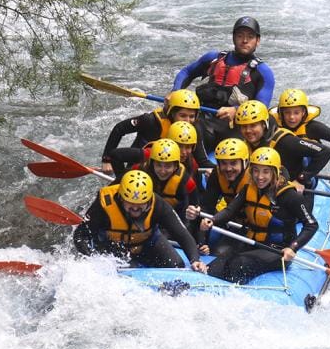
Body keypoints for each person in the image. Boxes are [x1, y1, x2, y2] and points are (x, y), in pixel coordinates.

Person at [203, 147, 317, 284]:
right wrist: (213, 220)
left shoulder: (290, 196)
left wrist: (293, 247)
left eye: (265, 171)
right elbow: (230, 211)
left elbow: (311, 224)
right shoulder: (248, 189)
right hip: (251, 243)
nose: (259, 176)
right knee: (214, 267)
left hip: (277, 251)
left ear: (275, 172)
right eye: (256, 170)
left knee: (238, 264)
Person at [171, 16, 275, 153]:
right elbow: (186, 72)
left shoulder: (263, 72)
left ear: (258, 41)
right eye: (240, 36)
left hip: (235, 128)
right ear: (233, 38)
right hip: (204, 120)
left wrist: (237, 110)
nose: (245, 41)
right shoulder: (214, 58)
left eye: (250, 37)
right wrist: (175, 93)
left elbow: (262, 108)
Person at [73, 170, 206, 271]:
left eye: (141, 204)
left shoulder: (158, 205)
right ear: (121, 198)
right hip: (114, 248)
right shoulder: (104, 205)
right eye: (130, 203)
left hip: (148, 243)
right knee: (127, 269)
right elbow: (81, 234)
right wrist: (93, 257)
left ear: (149, 200)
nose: (135, 208)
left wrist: (195, 260)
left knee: (177, 265)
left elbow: (182, 234)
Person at [232, 99, 330, 188]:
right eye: (244, 127)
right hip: (264, 186)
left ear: (264, 125)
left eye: (253, 125)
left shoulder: (286, 141)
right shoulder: (244, 144)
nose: (248, 131)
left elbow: (325, 151)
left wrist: (301, 180)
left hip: (292, 193)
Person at [100, 89, 201, 175]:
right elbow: (119, 128)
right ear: (172, 113)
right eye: (182, 115)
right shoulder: (150, 121)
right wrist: (107, 160)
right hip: (141, 163)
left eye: (191, 116)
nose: (187, 121)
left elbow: (199, 157)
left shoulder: (192, 128)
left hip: (170, 166)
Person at [186, 137, 250, 256]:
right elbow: (207, 207)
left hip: (253, 226)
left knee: (222, 253)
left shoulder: (255, 178)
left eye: (233, 163)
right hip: (232, 221)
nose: (228, 168)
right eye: (223, 163)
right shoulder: (217, 174)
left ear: (245, 162)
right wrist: (202, 242)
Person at [271, 88, 330, 185]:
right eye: (287, 112)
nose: (292, 117)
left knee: (305, 156)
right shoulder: (274, 126)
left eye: (296, 112)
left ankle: (305, 182)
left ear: (303, 112)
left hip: (306, 174)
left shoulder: (313, 127)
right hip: (284, 169)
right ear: (281, 113)